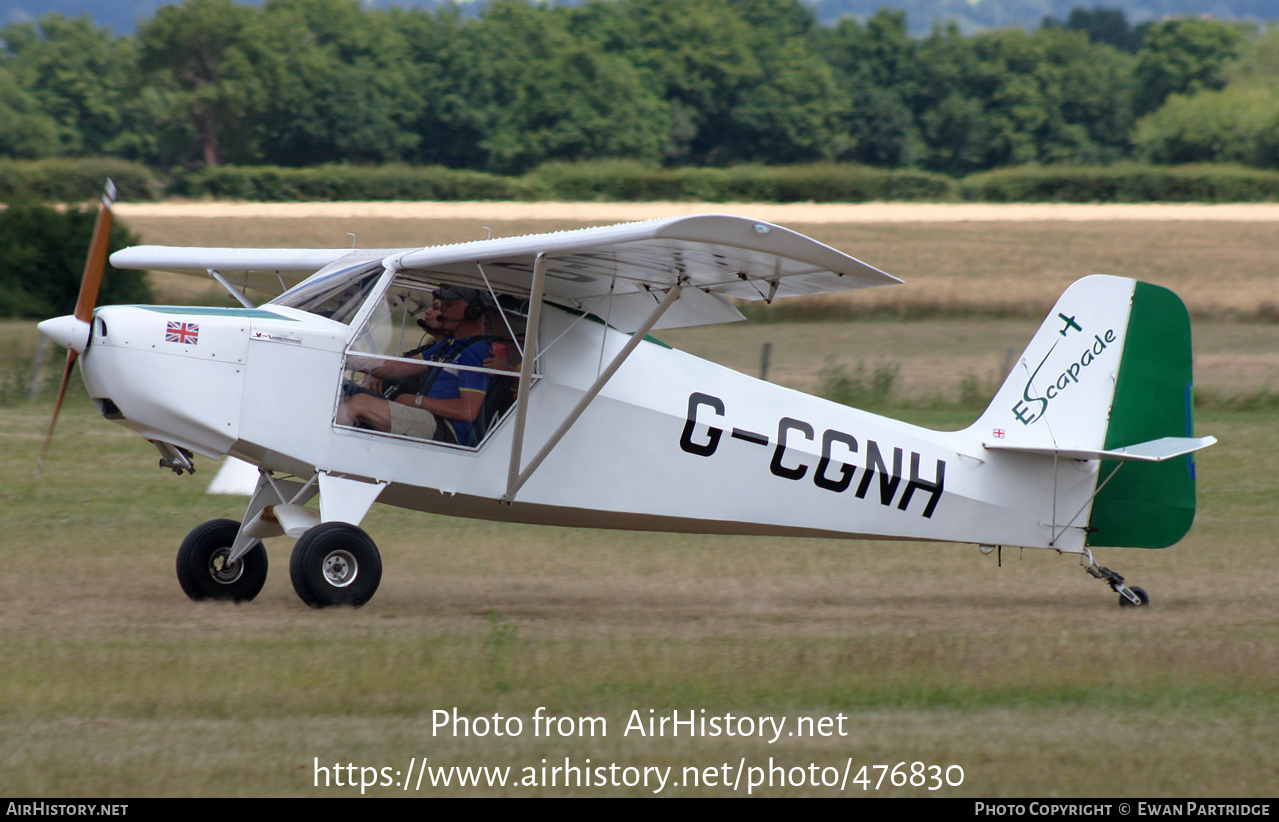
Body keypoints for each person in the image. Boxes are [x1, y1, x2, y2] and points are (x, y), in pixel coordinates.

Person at [337, 286, 495, 445]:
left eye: (449, 304)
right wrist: (347, 357)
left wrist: (418, 401)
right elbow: (397, 369)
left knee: (360, 403)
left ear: (473, 311)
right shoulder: (450, 344)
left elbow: (468, 411)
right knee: (345, 392)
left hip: (446, 429)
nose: (443, 312)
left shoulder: (477, 352)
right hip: (426, 416)